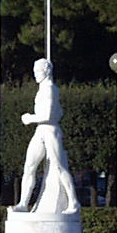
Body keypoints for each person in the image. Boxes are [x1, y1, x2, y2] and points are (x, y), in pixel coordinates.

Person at [12, 58, 80, 214]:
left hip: (50, 130)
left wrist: (30, 118)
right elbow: (59, 111)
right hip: (41, 130)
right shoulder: (43, 89)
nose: (35, 74)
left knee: (59, 166)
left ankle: (74, 202)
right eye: (34, 71)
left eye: (38, 71)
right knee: (29, 166)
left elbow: (47, 115)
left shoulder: (50, 89)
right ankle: (23, 203)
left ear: (47, 71)